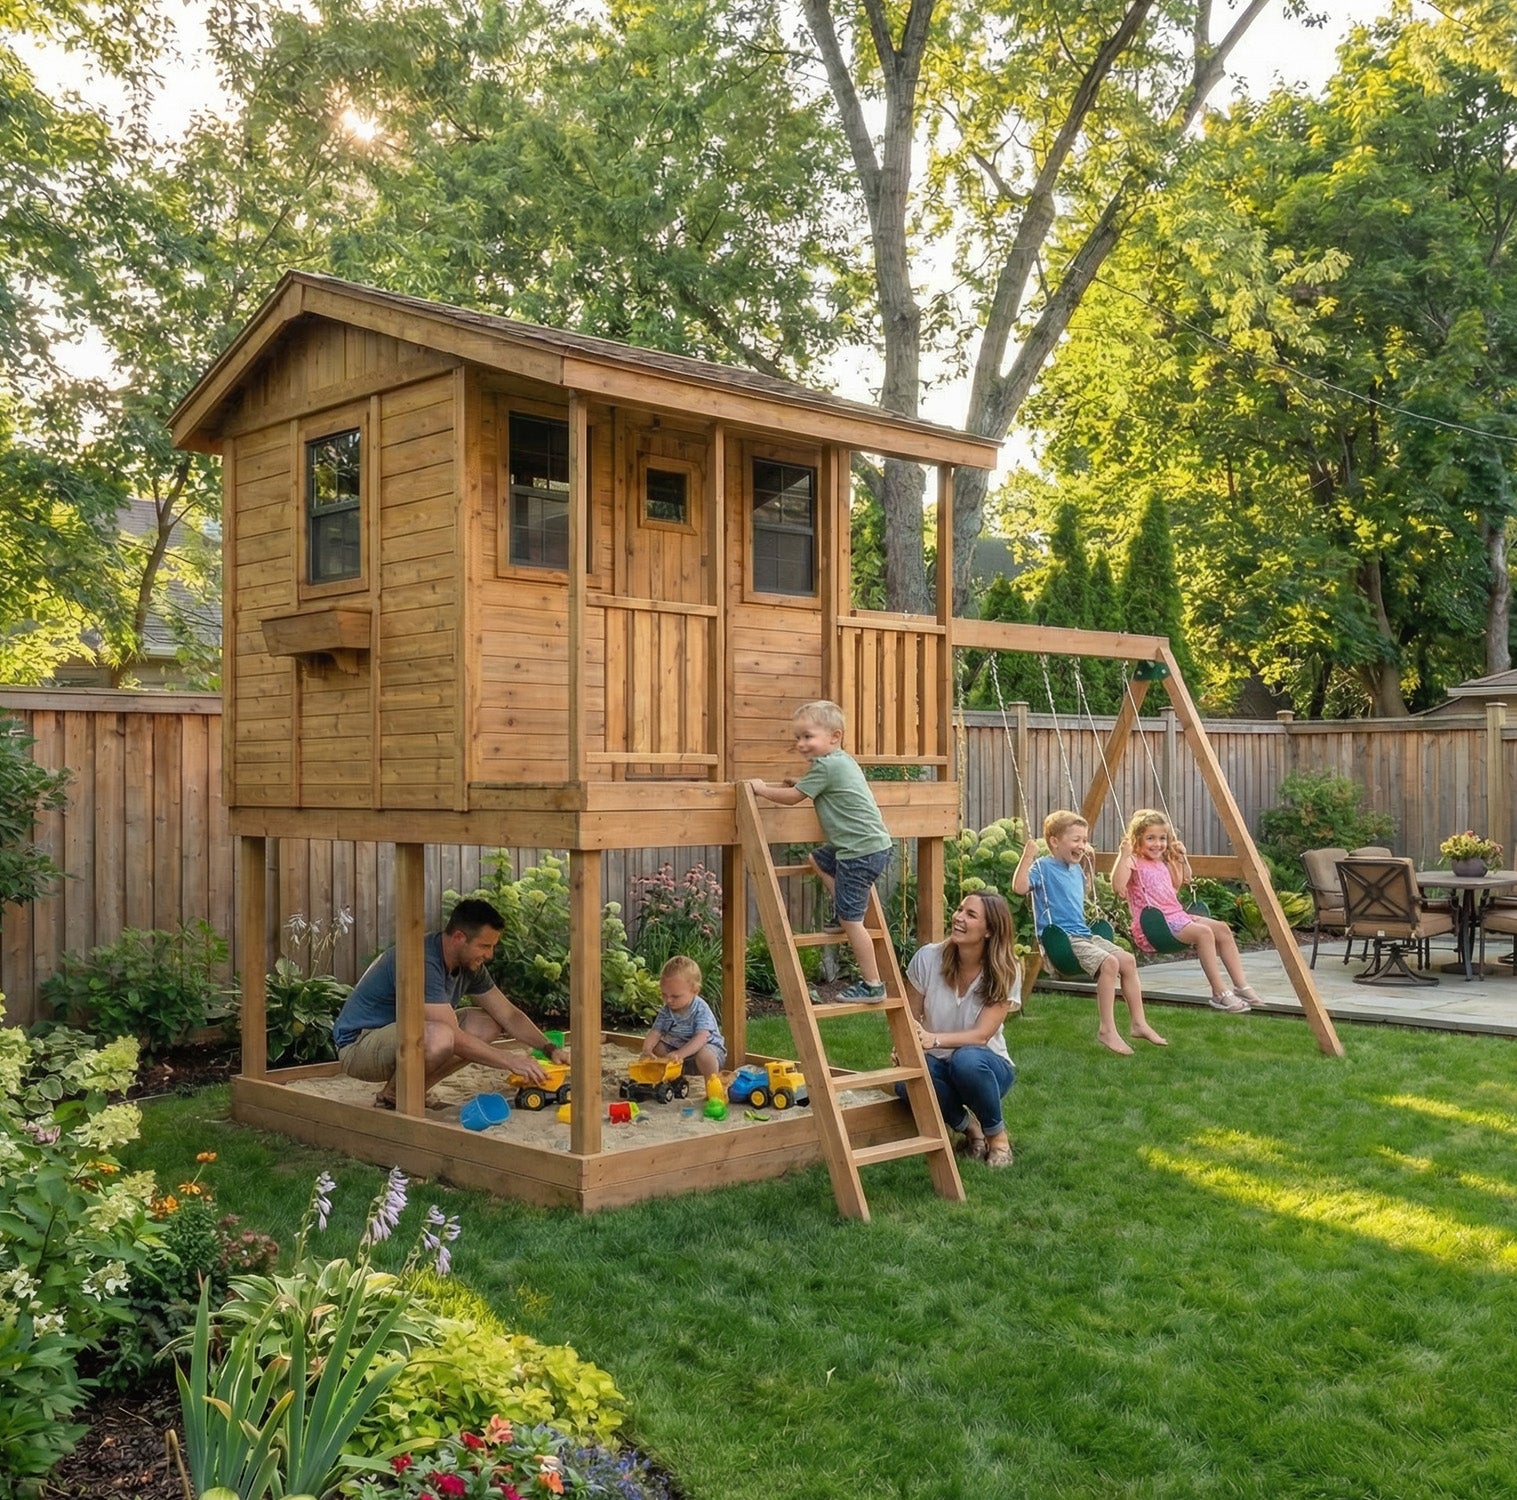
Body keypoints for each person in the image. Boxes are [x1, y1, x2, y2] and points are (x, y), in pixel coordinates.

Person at [332, 897, 568, 1109]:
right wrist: (511, 1061)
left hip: (400, 1036)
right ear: (458, 938)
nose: (490, 955)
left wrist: (550, 1048)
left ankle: (407, 1092)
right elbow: (452, 1036)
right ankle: (396, 1094)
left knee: (486, 1023)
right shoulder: (423, 960)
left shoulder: (469, 964)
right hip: (359, 1045)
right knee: (441, 1036)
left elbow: (509, 1015)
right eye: (485, 946)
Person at [749, 699, 893, 1002]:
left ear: (834, 736)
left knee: (853, 922)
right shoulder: (840, 761)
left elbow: (792, 798)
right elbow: (817, 786)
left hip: (859, 852)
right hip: (865, 847)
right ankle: (840, 909)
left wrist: (760, 789)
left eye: (808, 737)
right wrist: (802, 782)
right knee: (818, 859)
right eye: (797, 738)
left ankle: (873, 985)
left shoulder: (826, 766)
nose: (801, 744)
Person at [1012, 810, 1168, 1055]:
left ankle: (1139, 1023)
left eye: (1084, 840)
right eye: (1076, 840)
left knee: (1127, 960)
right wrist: (1027, 856)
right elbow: (1020, 887)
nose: (1082, 845)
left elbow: (1079, 895)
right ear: (1054, 841)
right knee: (1109, 964)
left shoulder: (1075, 869)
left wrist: (1090, 866)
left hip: (1083, 933)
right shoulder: (1043, 867)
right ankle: (1107, 1029)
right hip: (1062, 938)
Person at [900, 891, 1021, 1168]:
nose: (958, 917)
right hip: (937, 1064)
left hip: (986, 1067)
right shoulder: (928, 958)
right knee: (904, 1082)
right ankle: (971, 1131)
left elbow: (981, 1036)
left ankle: (998, 1138)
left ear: (989, 930)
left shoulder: (1006, 968)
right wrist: (905, 1046)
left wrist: (934, 1039)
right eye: (959, 910)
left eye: (970, 914)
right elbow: (909, 1018)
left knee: (966, 1058)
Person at [1112, 809, 1259, 1013]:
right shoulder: (1133, 861)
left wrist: (1182, 860)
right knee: (1204, 933)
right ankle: (1219, 992)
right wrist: (1123, 855)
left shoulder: (1161, 862)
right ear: (1137, 839)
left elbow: (1178, 883)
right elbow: (1119, 887)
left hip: (1177, 916)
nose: (1158, 843)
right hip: (1155, 925)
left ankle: (1241, 985)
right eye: (1150, 838)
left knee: (1222, 929)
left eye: (1162, 838)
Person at [641, 954, 726, 1080]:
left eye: (675, 996)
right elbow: (656, 1032)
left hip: (706, 1051)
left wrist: (680, 1054)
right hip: (678, 1054)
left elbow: (701, 1037)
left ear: (695, 991)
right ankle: (673, 1078)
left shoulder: (700, 1009)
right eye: (664, 994)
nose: (668, 1000)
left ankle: (712, 1083)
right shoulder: (666, 1011)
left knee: (705, 1056)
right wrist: (647, 1050)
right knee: (657, 1048)